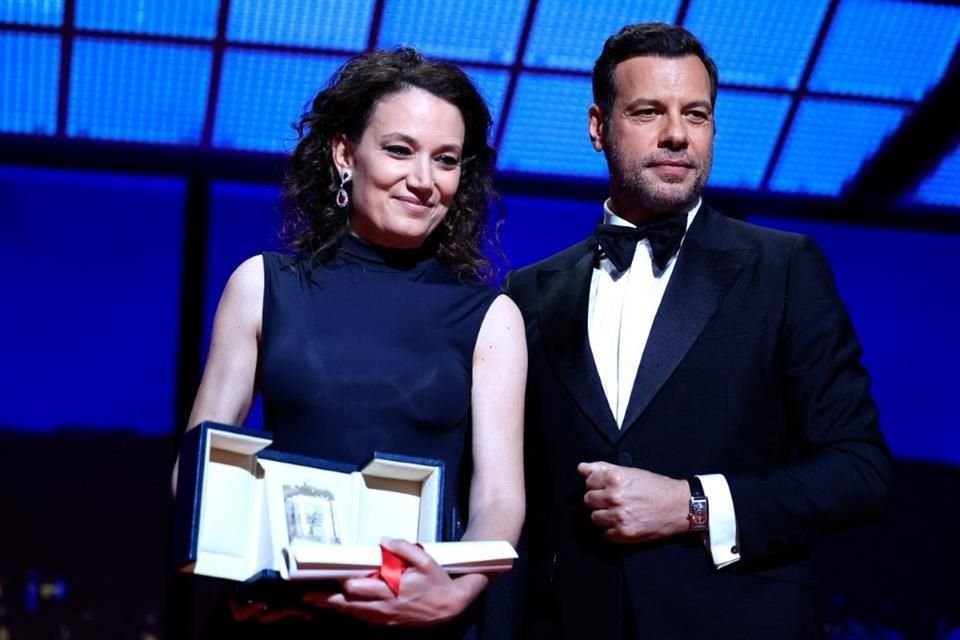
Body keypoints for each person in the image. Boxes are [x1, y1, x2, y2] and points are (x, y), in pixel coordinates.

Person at [504, 23, 892, 639]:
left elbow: (861, 470)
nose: (678, 134)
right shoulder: (528, 291)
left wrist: (694, 506)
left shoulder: (784, 266)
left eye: (697, 114)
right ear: (598, 127)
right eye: (648, 111)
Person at [179, 47, 526, 638]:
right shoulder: (264, 284)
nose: (423, 180)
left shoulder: (490, 317)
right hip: (267, 617)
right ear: (345, 153)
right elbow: (198, 462)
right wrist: (229, 553)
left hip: (414, 621)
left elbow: (498, 496)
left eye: (445, 160)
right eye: (399, 150)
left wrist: (455, 589)